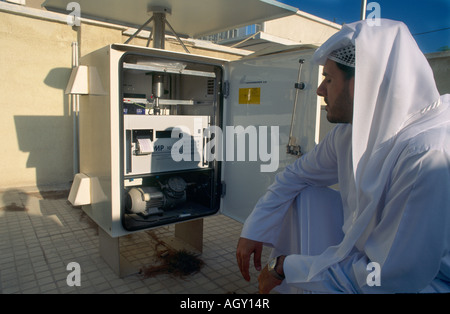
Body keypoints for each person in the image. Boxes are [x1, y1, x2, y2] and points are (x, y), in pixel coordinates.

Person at [236, 19, 450, 294]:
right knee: (306, 194)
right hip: (372, 265)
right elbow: (294, 176)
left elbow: (388, 278)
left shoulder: (428, 154)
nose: (319, 90)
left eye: (329, 78)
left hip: (425, 284)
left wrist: (283, 267)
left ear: (361, 85)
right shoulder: (350, 134)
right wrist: (253, 229)